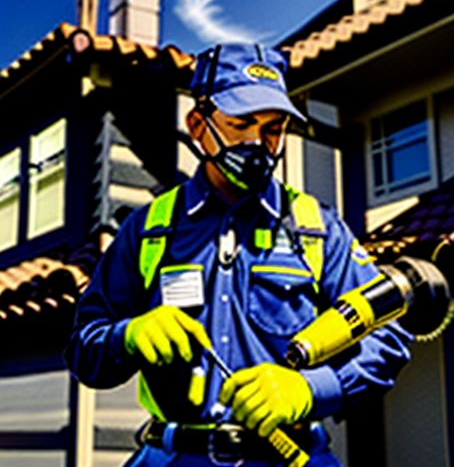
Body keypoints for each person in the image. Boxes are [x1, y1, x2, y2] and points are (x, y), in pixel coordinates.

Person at [66, 43, 412, 466]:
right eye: (241, 123)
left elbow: (389, 333)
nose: (257, 143)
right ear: (197, 125)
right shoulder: (146, 230)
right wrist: (129, 336)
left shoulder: (317, 228)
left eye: (273, 127)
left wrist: (312, 389)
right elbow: (85, 349)